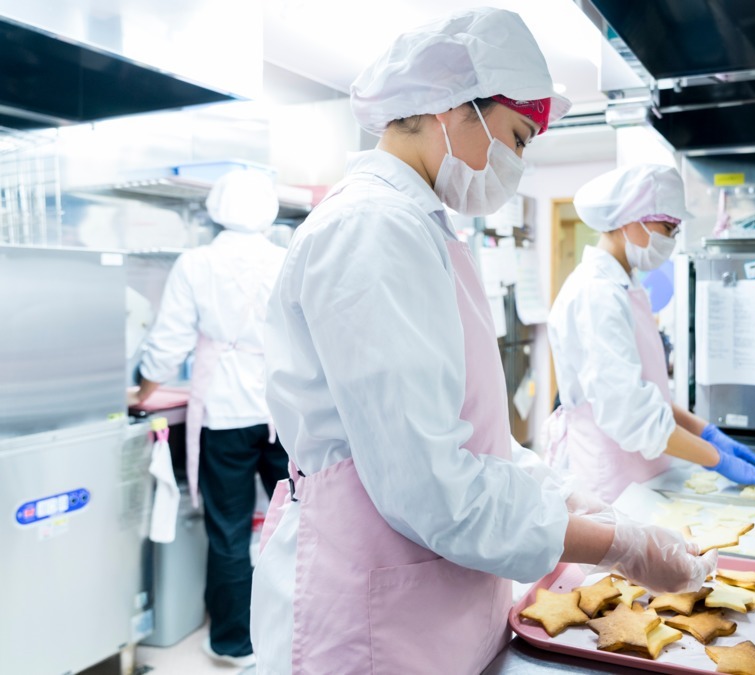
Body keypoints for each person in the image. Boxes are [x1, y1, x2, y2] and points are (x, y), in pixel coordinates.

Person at [250, 9, 717, 674]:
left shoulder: (421, 229)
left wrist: (559, 492)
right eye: (518, 138)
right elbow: (430, 489)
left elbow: (461, 437)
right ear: (452, 109)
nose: (517, 164)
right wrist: (620, 547)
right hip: (370, 612)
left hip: (430, 598)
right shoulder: (370, 232)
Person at [545, 164, 755, 503]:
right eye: (666, 227)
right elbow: (630, 414)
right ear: (629, 218)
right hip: (610, 482)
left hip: (643, 472)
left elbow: (646, 393)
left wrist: (707, 433)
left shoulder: (626, 286)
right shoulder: (595, 293)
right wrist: (717, 460)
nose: (670, 239)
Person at [131, 169, 289, 667]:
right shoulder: (285, 259)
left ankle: (232, 643)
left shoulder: (197, 263)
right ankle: (295, 631)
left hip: (224, 413)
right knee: (299, 523)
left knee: (229, 528)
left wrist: (143, 392)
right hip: (283, 410)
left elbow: (168, 341)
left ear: (217, 209)